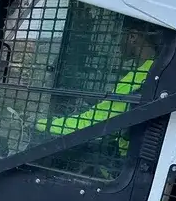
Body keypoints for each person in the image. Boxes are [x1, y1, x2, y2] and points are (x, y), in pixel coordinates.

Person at [35, 21, 160, 158]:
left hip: (123, 159)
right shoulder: (154, 71)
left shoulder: (138, 79)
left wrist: (41, 125)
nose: (117, 42)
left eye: (117, 35)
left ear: (132, 37)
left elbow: (92, 124)